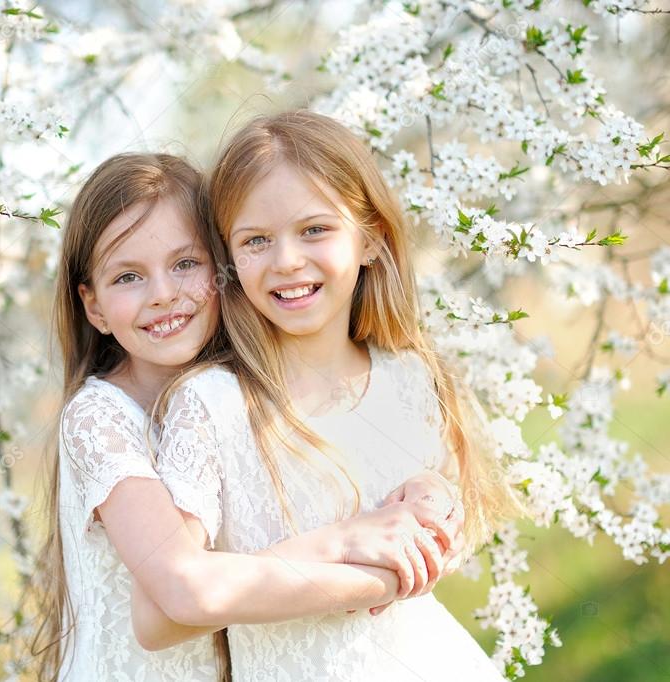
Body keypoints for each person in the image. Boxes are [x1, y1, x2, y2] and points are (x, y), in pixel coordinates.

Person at [134, 111, 524, 680]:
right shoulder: (213, 406)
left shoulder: (410, 377)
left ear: (369, 239)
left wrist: (438, 505)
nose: (286, 260)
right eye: (256, 240)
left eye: (314, 229)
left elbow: (448, 541)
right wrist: (351, 555)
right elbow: (164, 614)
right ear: (231, 264)